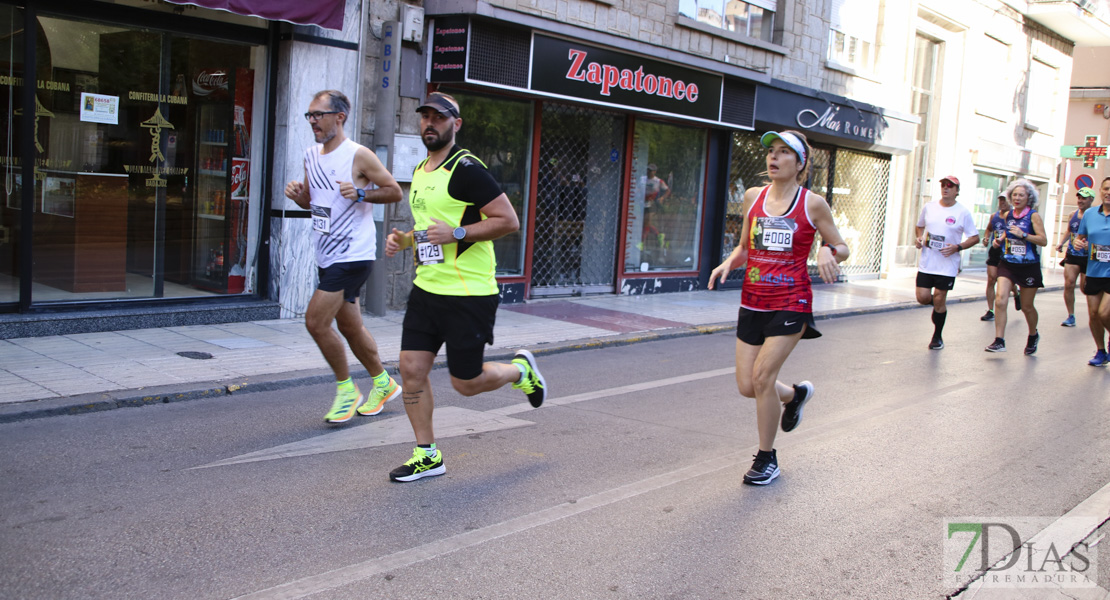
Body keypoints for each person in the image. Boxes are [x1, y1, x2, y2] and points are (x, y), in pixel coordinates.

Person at [383, 92, 547, 482]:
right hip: (428, 288)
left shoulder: (467, 168)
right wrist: (404, 240)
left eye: (439, 118)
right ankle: (427, 454)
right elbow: (430, 229)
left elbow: (508, 220)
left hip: (469, 294)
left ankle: (520, 371)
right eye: (425, 116)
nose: (430, 123)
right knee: (411, 370)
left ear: (455, 124)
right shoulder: (421, 170)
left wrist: (457, 232)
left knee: (466, 383)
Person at [708, 130, 850, 486]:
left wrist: (826, 250)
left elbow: (842, 246)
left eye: (784, 152)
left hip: (792, 300)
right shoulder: (753, 197)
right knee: (747, 385)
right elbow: (744, 247)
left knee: (762, 377)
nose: (774, 157)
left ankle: (766, 458)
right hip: (752, 300)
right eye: (771, 151)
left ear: (800, 164)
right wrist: (729, 262)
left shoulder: (812, 203)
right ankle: (796, 394)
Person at [283, 90, 404, 423]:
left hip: (353, 254)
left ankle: (346, 389)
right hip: (326, 254)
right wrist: (298, 197)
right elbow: (315, 204)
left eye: (318, 115)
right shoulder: (311, 155)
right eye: (309, 115)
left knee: (315, 322)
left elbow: (394, 190)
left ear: (340, 117)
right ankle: (382, 382)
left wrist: (362, 192)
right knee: (350, 327)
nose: (313, 122)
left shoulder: (359, 156)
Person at [913, 175, 981, 349]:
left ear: (957, 191)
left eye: (950, 186)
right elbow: (919, 226)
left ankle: (937, 336)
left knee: (940, 297)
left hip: (947, 264)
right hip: (928, 262)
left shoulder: (962, 212)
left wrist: (958, 247)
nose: (946, 188)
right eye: (943, 185)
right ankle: (938, 306)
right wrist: (920, 237)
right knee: (922, 297)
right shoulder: (929, 207)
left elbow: (974, 237)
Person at [985, 179, 1048, 354]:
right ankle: (999, 340)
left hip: (1028, 265)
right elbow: (1007, 231)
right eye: (1014, 195)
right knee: (1000, 298)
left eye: (1021, 195)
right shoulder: (1008, 215)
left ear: (1029, 198)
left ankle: (1033, 334)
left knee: (1027, 306)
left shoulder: (1033, 216)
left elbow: (1043, 240)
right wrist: (1000, 240)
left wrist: (1025, 235)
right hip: (1008, 263)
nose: (1017, 198)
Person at [1075, 177, 1110, 366]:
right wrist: (1077, 243)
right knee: (1094, 315)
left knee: (1105, 313)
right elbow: (1079, 238)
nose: (1109, 192)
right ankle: (1101, 351)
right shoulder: (1089, 214)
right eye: (1106, 188)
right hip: (1094, 270)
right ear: (1101, 190)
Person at [1055, 187, 1095, 327]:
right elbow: (1069, 231)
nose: (1080, 200)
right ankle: (1071, 315)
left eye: (1084, 198)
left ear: (1091, 199)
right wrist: (1061, 243)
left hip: (1088, 256)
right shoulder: (1073, 214)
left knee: (1085, 288)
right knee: (1069, 283)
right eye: (1079, 197)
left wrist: (1089, 244)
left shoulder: (1095, 216)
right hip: (1072, 254)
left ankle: (1094, 315)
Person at [980, 193, 1013, 321]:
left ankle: (1016, 293)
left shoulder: (1013, 217)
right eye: (1000, 200)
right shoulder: (994, 216)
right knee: (992, 278)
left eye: (1005, 200)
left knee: (1007, 280)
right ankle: (990, 310)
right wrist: (986, 237)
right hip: (995, 250)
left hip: (1008, 251)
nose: (1002, 203)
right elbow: (989, 229)